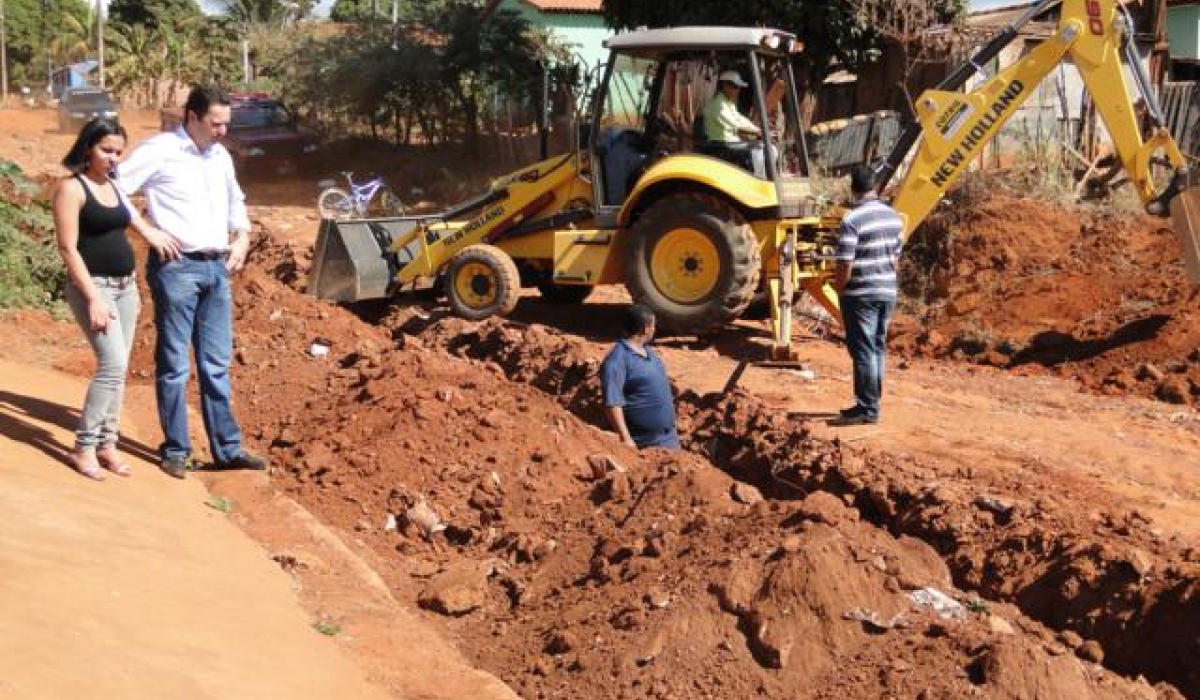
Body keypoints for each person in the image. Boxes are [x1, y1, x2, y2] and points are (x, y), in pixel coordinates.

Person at [117, 85, 267, 479]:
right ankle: (176, 449)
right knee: (175, 364)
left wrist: (243, 236)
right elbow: (114, 186)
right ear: (193, 117)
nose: (222, 132)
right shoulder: (160, 150)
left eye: (226, 124)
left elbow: (236, 201)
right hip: (176, 268)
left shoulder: (220, 156)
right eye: (215, 124)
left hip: (217, 268)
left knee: (216, 364)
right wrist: (147, 231)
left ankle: (227, 450)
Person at [52, 117, 180, 480]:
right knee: (110, 365)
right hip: (94, 288)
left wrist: (153, 234)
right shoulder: (71, 188)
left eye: (118, 152)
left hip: (126, 288)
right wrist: (93, 298)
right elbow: (68, 248)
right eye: (106, 150)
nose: (113, 158)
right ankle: (84, 446)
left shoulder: (113, 185)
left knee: (119, 369)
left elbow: (133, 220)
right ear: (87, 147)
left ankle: (107, 444)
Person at [831, 165, 905, 426]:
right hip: (887, 291)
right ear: (874, 187)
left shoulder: (852, 220)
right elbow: (896, 259)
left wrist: (839, 288)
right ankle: (871, 403)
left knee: (863, 349)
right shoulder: (894, 217)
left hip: (861, 294)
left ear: (853, 188)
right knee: (876, 347)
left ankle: (867, 408)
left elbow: (845, 262)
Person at [600, 305, 680, 450]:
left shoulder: (648, 352)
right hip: (646, 445)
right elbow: (612, 403)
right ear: (645, 329)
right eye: (653, 325)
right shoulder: (617, 360)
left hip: (669, 439)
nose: (654, 329)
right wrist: (626, 439)